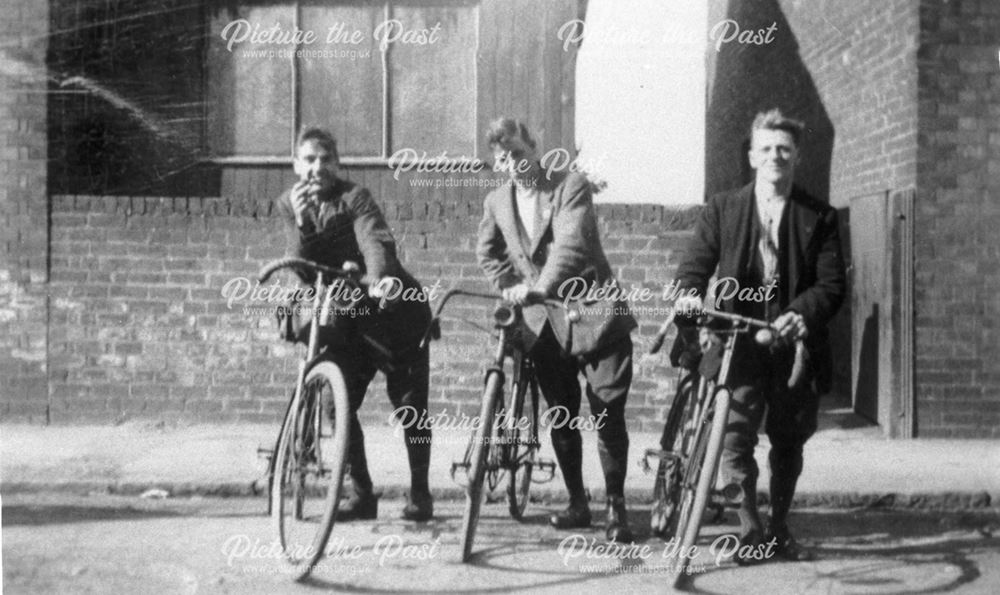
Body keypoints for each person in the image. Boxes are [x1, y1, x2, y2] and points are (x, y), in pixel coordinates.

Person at [674, 109, 846, 562]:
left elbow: (831, 286)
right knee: (733, 438)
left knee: (789, 440)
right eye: (766, 149)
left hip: (792, 345)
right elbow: (694, 266)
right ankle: (749, 527)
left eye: (784, 150)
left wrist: (800, 315)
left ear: (797, 157)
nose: (775, 156)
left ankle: (779, 526)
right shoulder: (723, 209)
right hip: (738, 340)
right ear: (752, 157)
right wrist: (690, 296)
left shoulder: (819, 217)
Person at [476, 118, 638, 542]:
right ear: (497, 161)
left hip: (595, 313)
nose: (514, 162)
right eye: (504, 156)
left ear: (534, 147)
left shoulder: (570, 185)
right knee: (561, 414)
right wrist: (510, 285)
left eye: (519, 151)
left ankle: (616, 506)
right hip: (542, 325)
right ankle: (577, 502)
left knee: (607, 411)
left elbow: (571, 244)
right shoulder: (497, 201)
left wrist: (541, 286)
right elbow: (488, 252)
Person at [275, 127, 434, 521]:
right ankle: (361, 494)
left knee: (410, 405)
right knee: (336, 401)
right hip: (347, 320)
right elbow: (300, 268)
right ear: (296, 164)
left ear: (337, 163)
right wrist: (301, 221)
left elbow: (374, 240)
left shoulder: (355, 197)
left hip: (395, 315)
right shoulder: (288, 205)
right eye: (309, 159)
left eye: (325, 159)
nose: (317, 167)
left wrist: (379, 279)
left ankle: (420, 493)